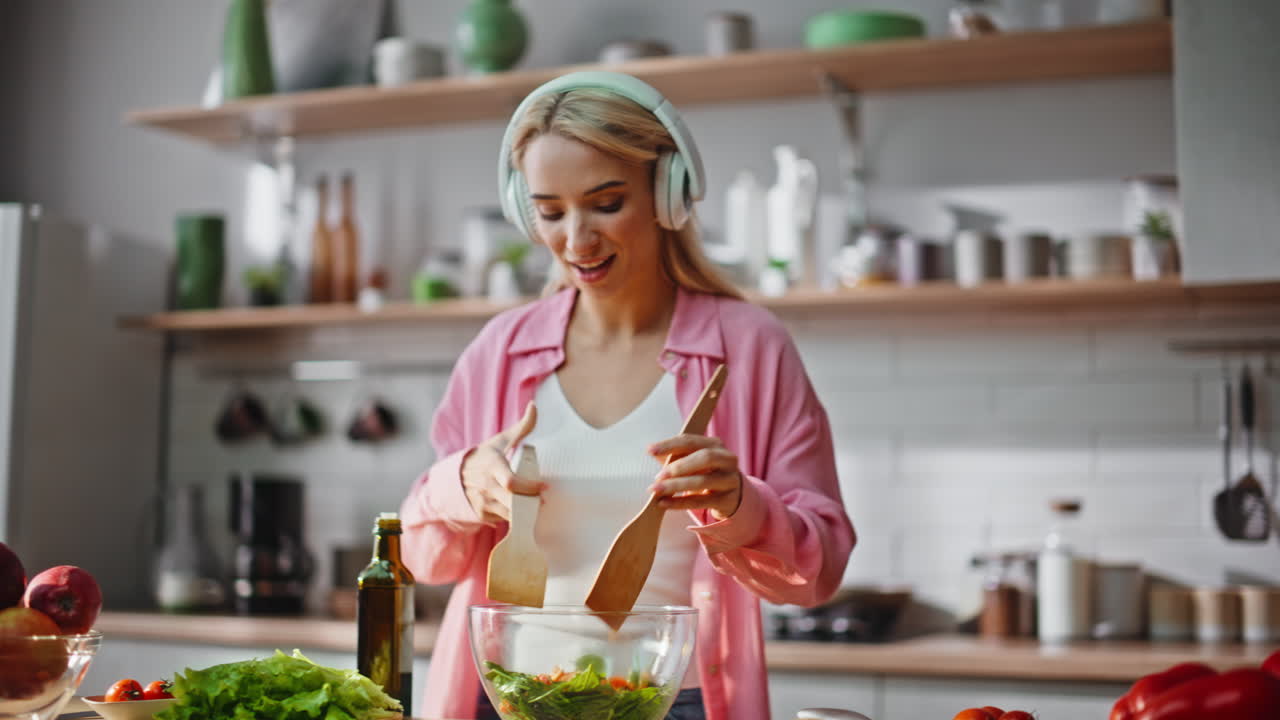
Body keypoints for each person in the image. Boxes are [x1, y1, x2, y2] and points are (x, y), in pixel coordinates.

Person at [398, 70, 855, 720]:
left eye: (606, 203)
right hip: (509, 700)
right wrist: (463, 482)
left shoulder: (750, 348)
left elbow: (822, 566)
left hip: (678, 702)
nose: (576, 241)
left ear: (668, 195)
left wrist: (740, 506)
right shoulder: (500, 352)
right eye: (551, 212)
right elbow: (420, 558)